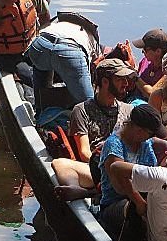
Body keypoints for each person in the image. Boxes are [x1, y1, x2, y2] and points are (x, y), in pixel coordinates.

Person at [51, 58, 137, 201]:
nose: (126, 84)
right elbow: (84, 152)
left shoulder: (129, 110)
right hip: (97, 169)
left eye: (126, 79)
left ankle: (92, 193)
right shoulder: (82, 110)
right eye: (120, 79)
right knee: (60, 164)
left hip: (124, 168)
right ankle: (76, 190)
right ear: (105, 82)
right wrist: (105, 164)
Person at [97, 104, 162, 241]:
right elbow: (120, 187)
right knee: (132, 209)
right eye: (150, 134)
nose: (150, 138)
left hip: (145, 196)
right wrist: (139, 203)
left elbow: (153, 170)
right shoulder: (114, 145)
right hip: (115, 203)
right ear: (139, 130)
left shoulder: (145, 143)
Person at [27, 12, 102, 105]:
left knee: (40, 71)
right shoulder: (92, 40)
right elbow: (96, 65)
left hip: (40, 44)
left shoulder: (58, 24)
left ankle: (39, 106)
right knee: (89, 102)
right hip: (70, 51)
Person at [131, 28, 167, 99]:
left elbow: (152, 94)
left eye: (145, 49)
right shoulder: (144, 61)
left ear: (158, 51)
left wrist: (135, 77)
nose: (142, 52)